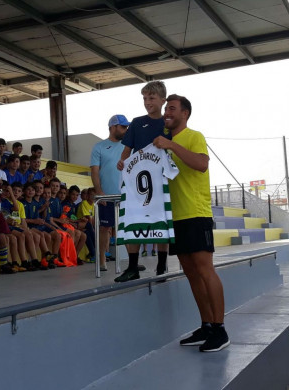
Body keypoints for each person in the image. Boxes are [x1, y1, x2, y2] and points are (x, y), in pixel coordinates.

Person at [153, 94, 229, 352]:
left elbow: (201, 164)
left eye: (171, 108)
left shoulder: (194, 136)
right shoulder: (165, 143)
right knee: (190, 273)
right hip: (176, 217)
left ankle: (220, 329)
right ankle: (207, 325)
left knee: (205, 270)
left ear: (184, 113)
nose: (167, 112)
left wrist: (172, 146)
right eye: (166, 109)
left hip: (196, 212)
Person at [115, 80, 171, 281]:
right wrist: (122, 162)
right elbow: (126, 151)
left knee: (160, 221)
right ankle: (132, 267)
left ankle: (162, 265)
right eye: (145, 98)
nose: (147, 102)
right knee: (134, 220)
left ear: (163, 100)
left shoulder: (168, 124)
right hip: (137, 183)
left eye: (152, 98)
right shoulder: (137, 123)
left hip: (160, 182)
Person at [90, 114, 129, 271]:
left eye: (127, 127)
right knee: (104, 228)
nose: (126, 130)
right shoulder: (99, 147)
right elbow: (94, 171)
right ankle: (102, 260)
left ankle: (132, 261)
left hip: (125, 195)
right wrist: (99, 191)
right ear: (113, 127)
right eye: (123, 127)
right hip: (106, 195)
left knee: (127, 227)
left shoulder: (128, 147)